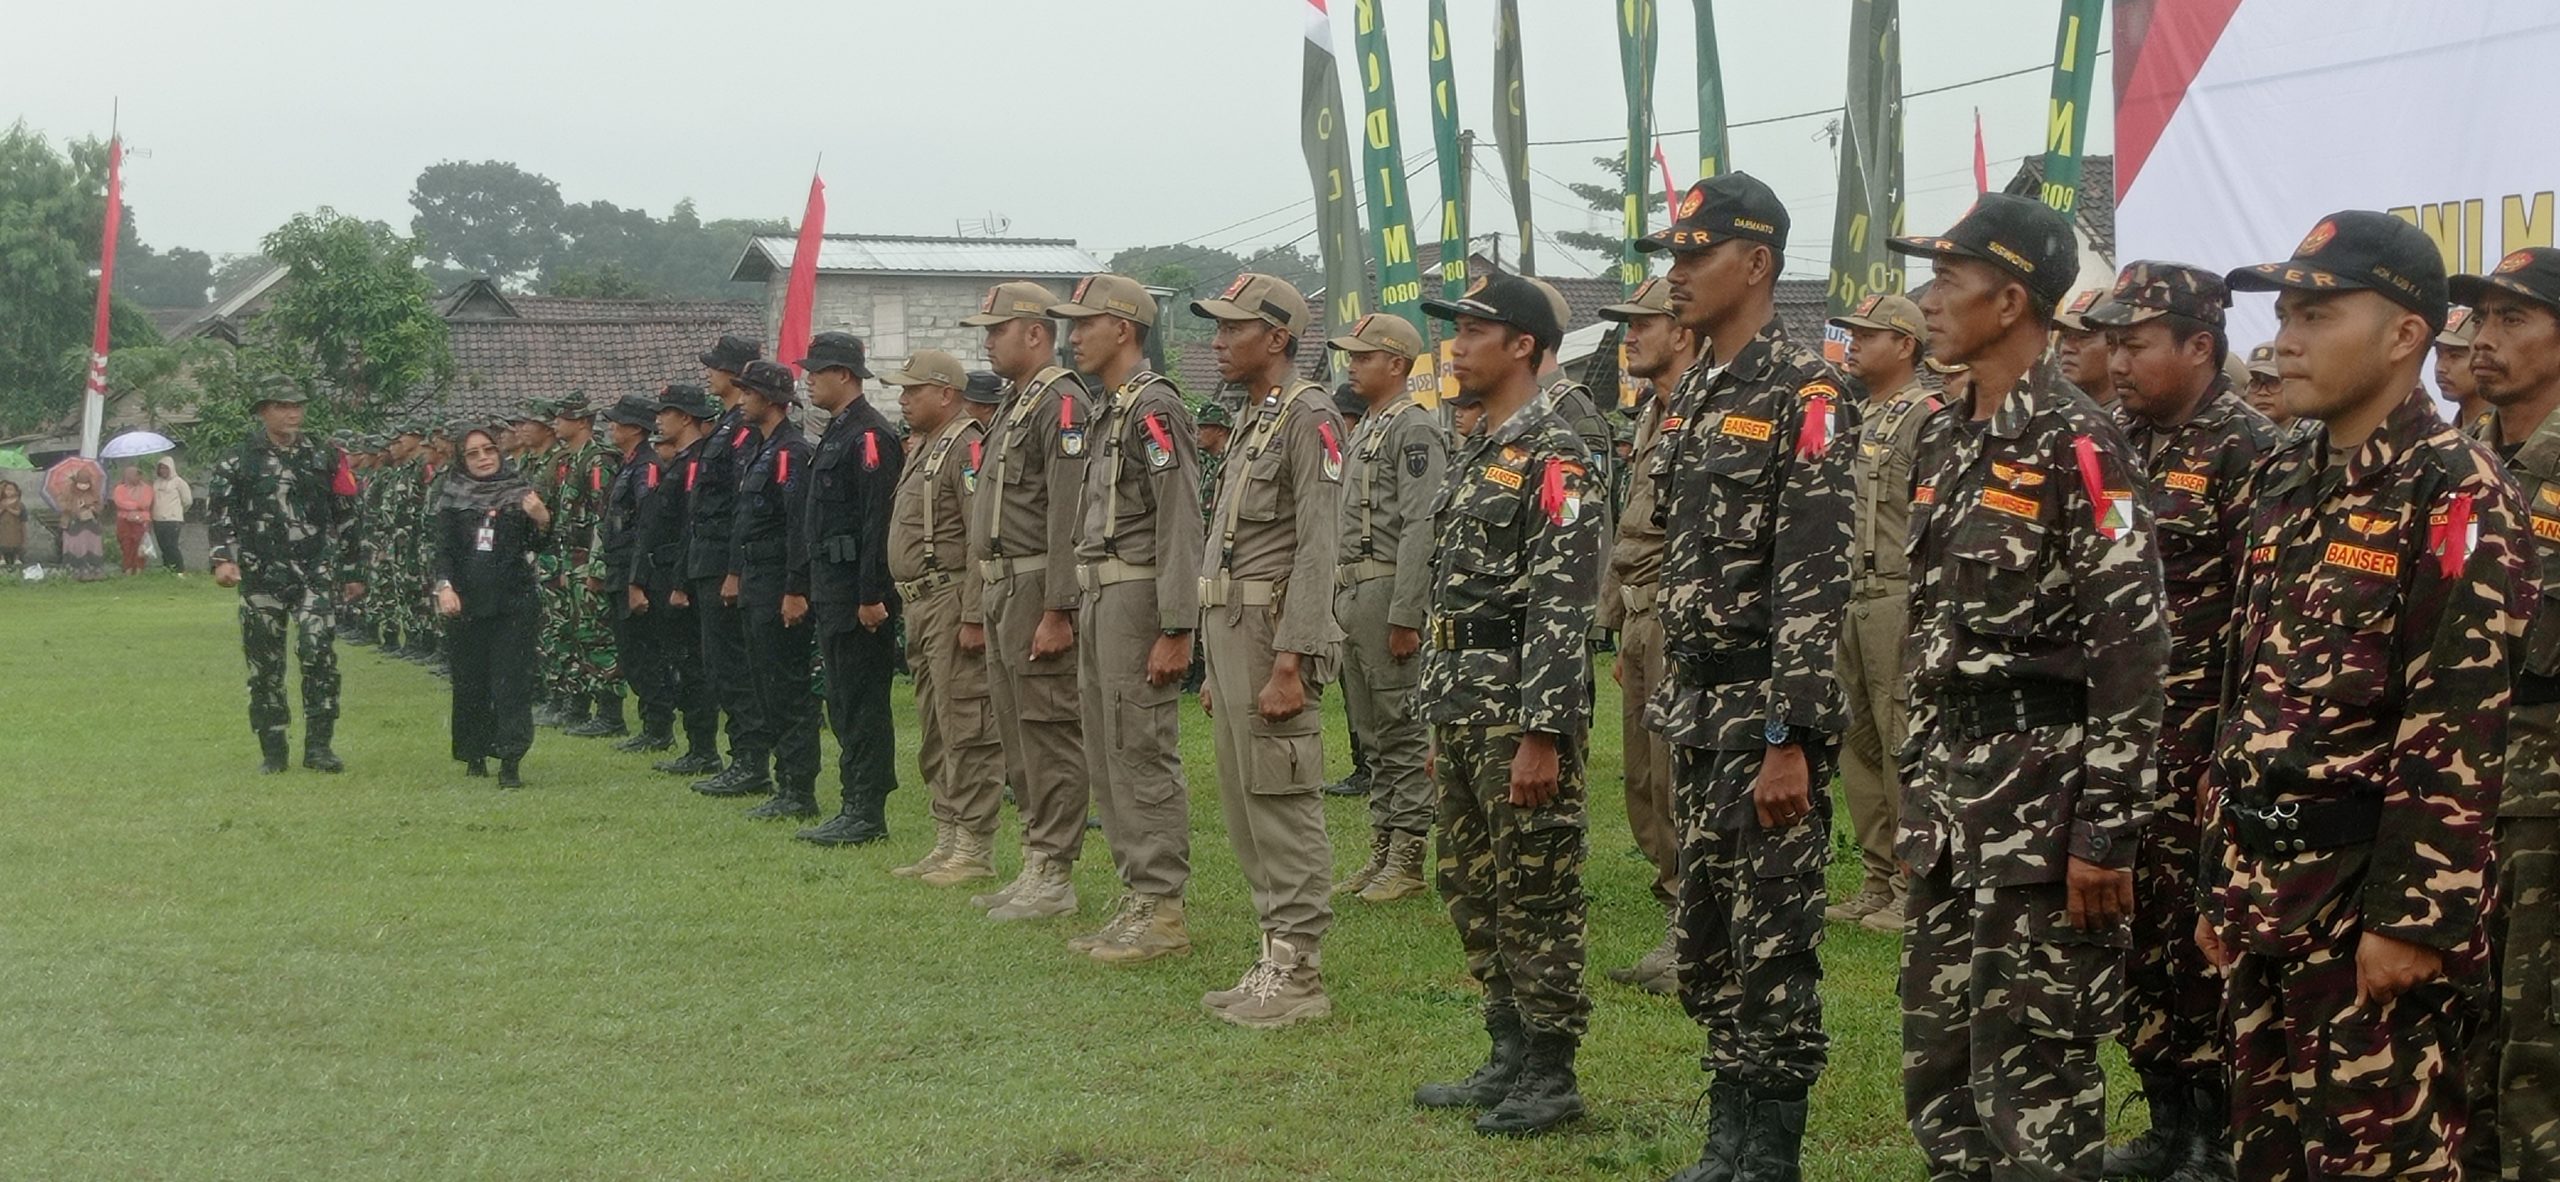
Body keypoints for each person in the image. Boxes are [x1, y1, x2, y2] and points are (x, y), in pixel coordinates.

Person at [2200, 211, 2527, 1181]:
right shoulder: (2284, 473)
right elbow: (2247, 686)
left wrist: (2410, 919)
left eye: (2317, 314)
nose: (2286, 338)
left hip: (2362, 913)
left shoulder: (2456, 490)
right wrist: (2221, 867)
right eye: (2284, 314)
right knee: (2265, 1155)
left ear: (2402, 336)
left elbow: (2459, 721)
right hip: (2264, 891)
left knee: (2381, 1160)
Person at [1886, 193, 2166, 1181]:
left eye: (1947, 280)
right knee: (1939, 1061)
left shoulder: (2080, 444)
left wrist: (2104, 832)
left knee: (2033, 1077)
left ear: (2009, 301)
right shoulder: (1942, 436)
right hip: (1949, 805)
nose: (1927, 300)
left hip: (2042, 811)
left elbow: (2132, 649)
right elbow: (1933, 633)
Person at [1637, 173, 1857, 1181]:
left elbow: (1812, 577)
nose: (1676, 275)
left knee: (1772, 943)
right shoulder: (1700, 393)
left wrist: (1788, 740)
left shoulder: (1807, 396)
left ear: (1758, 263)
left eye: (1696, 255)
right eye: (1674, 256)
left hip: (1762, 714)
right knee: (1710, 940)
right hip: (1696, 711)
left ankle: (1768, 1154)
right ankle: (1725, 1139)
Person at [2084, 261, 2278, 1181]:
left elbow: (2264, 615)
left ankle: (2212, 1133)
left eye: (2135, 345)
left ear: (2200, 346)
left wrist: (2229, 748)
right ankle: (2165, 1114)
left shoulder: (2250, 450)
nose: (2117, 363)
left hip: (2203, 745)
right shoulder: (2115, 441)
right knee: (2134, 936)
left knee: (2201, 938)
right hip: (2123, 743)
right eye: (2112, 345)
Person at [1407, 272, 1602, 1136]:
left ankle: (1552, 1071)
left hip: (1518, 714)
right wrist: (1439, 720)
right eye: (1455, 330)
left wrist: (1543, 734)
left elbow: (1562, 603)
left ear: (1522, 345)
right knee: (1472, 884)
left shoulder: (1558, 454)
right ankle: (1508, 1050)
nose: (1454, 346)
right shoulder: (1483, 448)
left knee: (1535, 888)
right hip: (1463, 706)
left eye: (1472, 331)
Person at [1190, 272, 1346, 1028]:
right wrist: (1213, 661)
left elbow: (1319, 550)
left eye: (1233, 328)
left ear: (1277, 337)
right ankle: (1273, 954)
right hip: (1233, 630)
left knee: (1281, 799)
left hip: (1273, 633)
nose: (1217, 341)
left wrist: (1292, 661)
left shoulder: (1310, 415)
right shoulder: (1259, 415)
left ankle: (1298, 971)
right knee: (1246, 801)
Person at [2448, 243, 2560, 1180]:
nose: (2485, 338)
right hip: (2458, 789)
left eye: (2513, 319)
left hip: (2547, 799)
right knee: (2465, 1023)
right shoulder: (2461, 465)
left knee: (2539, 1040)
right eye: (2481, 318)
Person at [1052, 274, 1205, 961]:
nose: (1073, 336)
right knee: (1107, 751)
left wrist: (1176, 626)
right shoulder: (1109, 409)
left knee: (1139, 747)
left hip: (1136, 596)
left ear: (1124, 328)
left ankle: (1163, 909)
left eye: (1085, 322)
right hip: (1100, 595)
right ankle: (1138, 895)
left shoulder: (1155, 406)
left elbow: (1179, 519)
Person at [959, 281, 1094, 921]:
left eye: (996, 330)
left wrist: (1058, 607)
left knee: (1049, 730)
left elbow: (1068, 513)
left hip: (1037, 586)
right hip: (1003, 585)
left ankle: (1055, 872)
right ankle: (1035, 856)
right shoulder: (1018, 403)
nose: (987, 342)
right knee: (1017, 732)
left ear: (1036, 333)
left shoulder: (1061, 402)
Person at [1593, 276, 1697, 992]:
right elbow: (1627, 524)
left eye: (1643, 324)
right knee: (1641, 780)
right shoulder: (1650, 414)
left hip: (1674, 615)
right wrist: (1613, 624)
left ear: (1682, 332)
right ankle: (1676, 914)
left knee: (1676, 775)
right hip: (1638, 616)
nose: (1629, 336)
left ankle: (1694, 929)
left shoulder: (1704, 412)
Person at [1823, 292, 1937, 939]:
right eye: (1852, 334)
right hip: (1850, 595)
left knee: (1900, 738)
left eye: (1868, 335)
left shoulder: (1927, 417)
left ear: (1905, 345)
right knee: (1857, 739)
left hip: (1898, 595)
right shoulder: (1853, 415)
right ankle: (1874, 876)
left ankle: (1908, 884)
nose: (1854, 344)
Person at [1324, 311, 1445, 906]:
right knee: (1371, 729)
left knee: (1400, 724)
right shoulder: (1369, 426)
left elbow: (1421, 524)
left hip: (1386, 589)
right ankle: (1382, 845)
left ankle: (1407, 854)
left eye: (1363, 356)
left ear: (1396, 364)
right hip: (1354, 591)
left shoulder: (1414, 429)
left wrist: (1407, 612)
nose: (1352, 366)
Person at [880, 350, 1005, 886]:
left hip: (951, 600)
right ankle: (948, 836)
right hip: (922, 603)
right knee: (936, 725)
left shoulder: (967, 444)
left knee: (967, 724)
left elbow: (980, 537)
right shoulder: (929, 445)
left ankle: (974, 847)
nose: (903, 399)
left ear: (946, 393)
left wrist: (974, 614)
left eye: (913, 390)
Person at [206, 383, 365, 773]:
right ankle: (273, 750)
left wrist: (353, 569)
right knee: (264, 664)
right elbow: (219, 514)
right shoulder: (238, 459)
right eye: (282, 406)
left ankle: (319, 747)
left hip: (315, 571)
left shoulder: (325, 456)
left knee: (318, 654)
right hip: (262, 574)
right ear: (263, 411)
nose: (293, 413)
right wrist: (223, 559)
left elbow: (347, 513)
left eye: (297, 406)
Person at [792, 331, 904, 846]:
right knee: (841, 700)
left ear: (844, 375)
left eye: (817, 371)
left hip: (859, 597)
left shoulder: (869, 436)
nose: (808, 380)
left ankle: (866, 810)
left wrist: (871, 594)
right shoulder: (838, 433)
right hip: (832, 591)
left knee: (862, 703)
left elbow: (877, 523)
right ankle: (852, 802)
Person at [431, 425, 552, 788]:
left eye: (488, 450)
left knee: (511, 682)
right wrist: (445, 587)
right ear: (461, 459)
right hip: (466, 602)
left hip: (514, 600)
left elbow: (540, 544)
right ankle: (475, 753)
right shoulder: (452, 495)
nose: (483, 458)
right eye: (473, 453)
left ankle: (511, 760)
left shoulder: (520, 491)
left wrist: (542, 519)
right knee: (471, 681)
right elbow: (443, 550)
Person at [727, 360, 822, 820]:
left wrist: (795, 588)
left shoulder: (791, 451)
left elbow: (798, 526)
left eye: (749, 392)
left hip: (778, 583)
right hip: (756, 580)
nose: (742, 400)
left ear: (769, 399)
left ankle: (799, 789)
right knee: (765, 685)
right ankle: (785, 783)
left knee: (787, 689)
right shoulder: (762, 449)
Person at [686, 335, 770, 796]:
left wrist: (734, 568)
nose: (709, 373)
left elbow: (742, 502)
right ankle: (742, 756)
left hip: (725, 559)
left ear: (735, 373)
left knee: (734, 667)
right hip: (709, 556)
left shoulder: (743, 429)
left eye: (715, 367)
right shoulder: (725, 424)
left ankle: (751, 760)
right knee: (719, 664)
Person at [646, 385, 725, 775]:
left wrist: (680, 581)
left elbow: (689, 526)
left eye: (667, 412)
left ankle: (704, 748)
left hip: (686, 574)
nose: (659, 420)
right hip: (669, 571)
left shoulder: (695, 462)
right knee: (681, 660)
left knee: (694, 664)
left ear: (686, 417)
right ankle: (697, 745)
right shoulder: (680, 461)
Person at [597, 394, 676, 754]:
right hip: (619, 567)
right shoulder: (629, 464)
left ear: (634, 428)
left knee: (644, 653)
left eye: (618, 421)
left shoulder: (646, 467)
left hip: (636, 570)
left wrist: (637, 582)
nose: (612, 427)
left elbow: (648, 525)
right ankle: (651, 725)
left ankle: (659, 727)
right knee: (631, 653)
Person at [554, 395, 627, 739]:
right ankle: (581, 704)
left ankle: (610, 712)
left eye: (564, 417)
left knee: (598, 635)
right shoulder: (575, 459)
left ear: (583, 421)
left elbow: (604, 517)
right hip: (575, 560)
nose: (556, 422)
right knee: (579, 635)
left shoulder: (597, 461)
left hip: (590, 562)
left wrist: (598, 568)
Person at [2053, 286, 2114, 403]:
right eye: (2065, 337)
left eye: (2083, 337)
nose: (2067, 348)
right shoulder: (2054, 403)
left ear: (2116, 345)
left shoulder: (2136, 412)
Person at [2439, 304, 2486, 427]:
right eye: (2438, 354)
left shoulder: (2505, 431)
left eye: (2455, 356)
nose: (2440, 368)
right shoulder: (2449, 430)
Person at [60, 469, 106, 581]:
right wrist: (76, 507)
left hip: (91, 526)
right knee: (77, 546)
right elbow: (62, 505)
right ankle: (76, 570)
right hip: (74, 526)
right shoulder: (68, 492)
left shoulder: (94, 492)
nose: (84, 486)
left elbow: (100, 506)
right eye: (81, 483)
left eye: (86, 484)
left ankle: (93, 569)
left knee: (92, 546)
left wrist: (92, 508)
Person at [111, 464, 154, 576]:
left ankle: (139, 570)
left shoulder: (147, 488)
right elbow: (119, 502)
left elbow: (146, 503)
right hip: (124, 521)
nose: (137, 478)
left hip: (142, 521)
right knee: (126, 545)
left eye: (139, 475)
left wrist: (132, 506)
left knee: (140, 545)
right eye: (135, 475)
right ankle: (128, 570)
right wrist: (136, 506)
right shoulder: (120, 489)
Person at [2240, 342, 2292, 429]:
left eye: (2273, 382)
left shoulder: (2312, 434)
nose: (2262, 392)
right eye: (2255, 383)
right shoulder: (2236, 431)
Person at [0, 480, 25, 568]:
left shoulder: (18, 502)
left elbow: (18, 513)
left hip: (14, 526)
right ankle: (2, 558)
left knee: (16, 541)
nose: (9, 492)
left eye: (11, 490)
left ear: (16, 491)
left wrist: (9, 509)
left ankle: (16, 558)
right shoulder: (2, 501)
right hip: (3, 526)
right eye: (7, 490)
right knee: (2, 541)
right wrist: (3, 508)